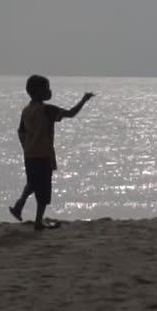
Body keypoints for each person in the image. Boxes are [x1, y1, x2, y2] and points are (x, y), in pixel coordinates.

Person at [9, 74, 94, 230]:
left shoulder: (26, 111)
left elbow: (21, 132)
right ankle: (38, 221)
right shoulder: (47, 110)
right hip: (44, 155)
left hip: (29, 155)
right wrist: (84, 100)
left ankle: (19, 205)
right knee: (43, 190)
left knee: (33, 182)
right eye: (47, 88)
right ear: (39, 91)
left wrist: (26, 148)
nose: (50, 91)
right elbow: (71, 113)